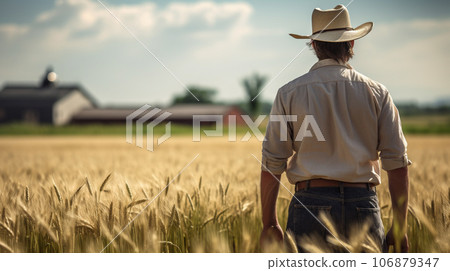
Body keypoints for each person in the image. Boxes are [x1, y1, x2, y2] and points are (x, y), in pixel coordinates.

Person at [259, 5, 411, 253]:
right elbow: (397, 165)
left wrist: (269, 224)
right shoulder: (378, 93)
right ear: (351, 46)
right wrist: (401, 225)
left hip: (309, 206)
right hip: (364, 205)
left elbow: (272, 163)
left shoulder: (289, 93)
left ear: (315, 46)